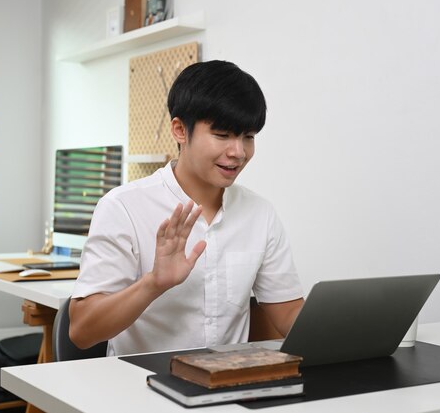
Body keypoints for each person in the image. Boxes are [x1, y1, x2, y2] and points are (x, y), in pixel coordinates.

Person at [69, 60, 304, 356]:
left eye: (248, 137)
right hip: (140, 388)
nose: (239, 152)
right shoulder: (122, 207)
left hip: (227, 384)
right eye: (222, 135)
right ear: (180, 130)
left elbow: (288, 311)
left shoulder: (260, 213)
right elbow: (81, 331)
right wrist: (153, 284)